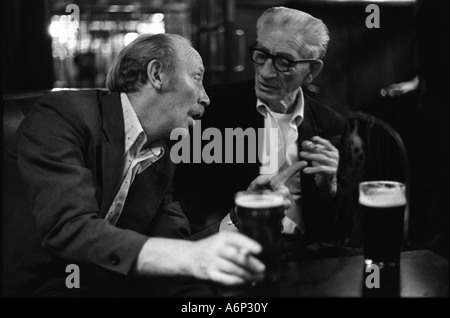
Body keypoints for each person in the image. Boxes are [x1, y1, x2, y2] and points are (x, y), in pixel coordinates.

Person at [2, 33, 268, 298]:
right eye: (197, 78)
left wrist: (237, 219)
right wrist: (190, 257)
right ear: (157, 75)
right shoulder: (62, 115)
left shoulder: (160, 154)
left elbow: (171, 251)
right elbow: (68, 229)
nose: (206, 98)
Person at [177, 7, 353, 260]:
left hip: (305, 257)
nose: (267, 72)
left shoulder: (332, 125)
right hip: (227, 250)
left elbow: (343, 229)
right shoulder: (211, 108)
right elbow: (183, 202)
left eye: (284, 62)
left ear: (312, 71)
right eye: (261, 54)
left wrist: (330, 186)